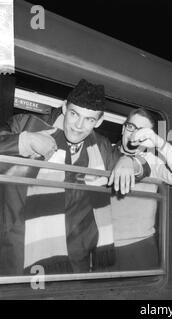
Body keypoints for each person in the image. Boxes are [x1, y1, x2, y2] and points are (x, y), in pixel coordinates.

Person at [0, 79, 147, 275]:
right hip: (19, 251)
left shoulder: (101, 146)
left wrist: (130, 162)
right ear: (64, 108)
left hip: (76, 259)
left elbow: (145, 167)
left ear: (99, 121)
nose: (78, 126)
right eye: (74, 114)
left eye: (89, 119)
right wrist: (24, 140)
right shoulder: (27, 124)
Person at [110, 108, 172, 270]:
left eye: (142, 132)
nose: (134, 135)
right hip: (102, 245)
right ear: (123, 128)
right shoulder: (104, 151)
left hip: (138, 247)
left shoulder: (153, 161)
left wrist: (159, 143)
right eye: (131, 127)